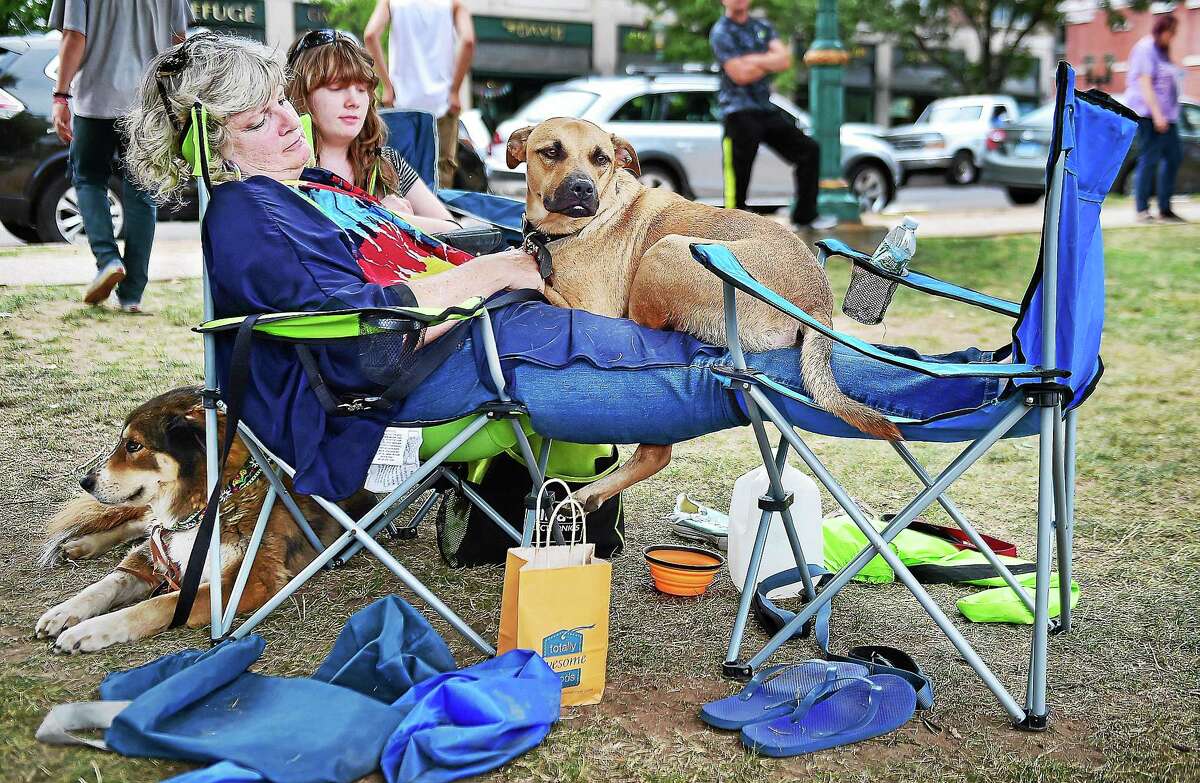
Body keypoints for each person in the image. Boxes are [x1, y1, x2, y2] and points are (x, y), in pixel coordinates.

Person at [124, 35, 971, 500]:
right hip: (453, 361)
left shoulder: (308, 187)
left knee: (753, 350)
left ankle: (948, 369)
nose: (284, 125)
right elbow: (360, 324)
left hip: (498, 328)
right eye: (256, 121)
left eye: (280, 107)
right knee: (740, 369)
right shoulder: (244, 213)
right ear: (212, 144)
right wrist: (494, 277)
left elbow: (422, 234)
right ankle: (967, 388)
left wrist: (491, 244)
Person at [49, 0, 192, 312]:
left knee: (88, 179)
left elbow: (74, 35)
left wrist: (61, 96)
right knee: (142, 191)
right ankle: (132, 295)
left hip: (94, 101)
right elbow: (178, 43)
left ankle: (108, 259)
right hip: (146, 103)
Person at [285, 29, 460, 235]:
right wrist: (378, 216)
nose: (353, 101)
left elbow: (455, 232)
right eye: (336, 87)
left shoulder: (387, 162)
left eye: (362, 89)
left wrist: (398, 219)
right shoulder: (284, 165)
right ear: (301, 95)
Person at [710, 0, 834, 231]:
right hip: (737, 111)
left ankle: (805, 216)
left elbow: (784, 60)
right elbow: (740, 75)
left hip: (765, 108)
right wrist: (767, 60)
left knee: (809, 150)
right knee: (739, 172)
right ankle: (734, 226)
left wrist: (751, 60)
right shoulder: (721, 31)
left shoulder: (762, 26)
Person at [364, 0, 476, 190]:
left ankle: (401, 216)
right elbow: (468, 41)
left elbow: (370, 35)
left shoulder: (393, 2)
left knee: (396, 166)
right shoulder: (452, 4)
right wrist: (455, 91)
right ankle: (437, 216)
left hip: (401, 102)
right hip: (442, 103)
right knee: (440, 171)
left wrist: (387, 86)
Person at [1125, 14, 1185, 223]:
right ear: (1162, 30)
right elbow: (1145, 84)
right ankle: (1142, 209)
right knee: (1149, 160)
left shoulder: (1163, 52)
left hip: (1168, 116)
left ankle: (1165, 209)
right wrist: (1158, 115)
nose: (1173, 37)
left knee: (1174, 157)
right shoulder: (1145, 48)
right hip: (1150, 115)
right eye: (1172, 33)